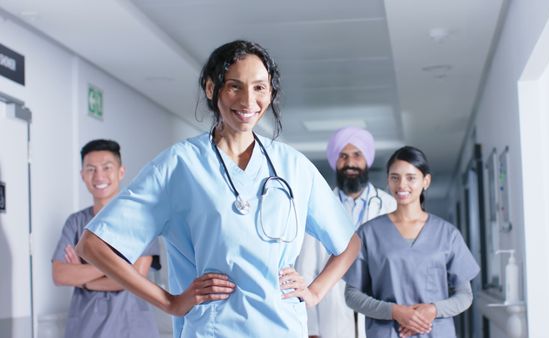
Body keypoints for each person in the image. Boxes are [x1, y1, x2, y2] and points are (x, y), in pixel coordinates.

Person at [75, 40, 361, 338]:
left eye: (260, 87)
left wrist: (315, 292)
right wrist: (170, 302)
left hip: (283, 328)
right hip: (213, 330)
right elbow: (93, 245)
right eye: (235, 86)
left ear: (271, 93)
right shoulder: (179, 166)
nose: (249, 100)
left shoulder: (293, 166)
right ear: (212, 89)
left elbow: (348, 242)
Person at [343, 146, 480, 338]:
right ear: (388, 181)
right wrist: (395, 312)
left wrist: (432, 310)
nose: (402, 185)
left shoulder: (447, 234)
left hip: (435, 332)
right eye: (395, 177)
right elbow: (352, 295)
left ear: (426, 181)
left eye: (411, 177)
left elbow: (465, 296)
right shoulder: (368, 233)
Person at [51, 139, 160, 338]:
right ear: (82, 175)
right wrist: (118, 267)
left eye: (106, 167)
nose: (99, 176)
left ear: (121, 172)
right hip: (86, 326)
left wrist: (82, 279)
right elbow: (60, 275)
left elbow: (135, 278)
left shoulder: (140, 219)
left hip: (131, 328)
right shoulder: (75, 223)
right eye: (91, 169)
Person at [296, 126, 396, 338]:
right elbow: (306, 270)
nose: (350, 163)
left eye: (357, 155)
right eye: (343, 156)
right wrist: (311, 328)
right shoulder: (318, 207)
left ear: (367, 160)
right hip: (331, 312)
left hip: (381, 311)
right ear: (335, 161)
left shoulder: (389, 206)